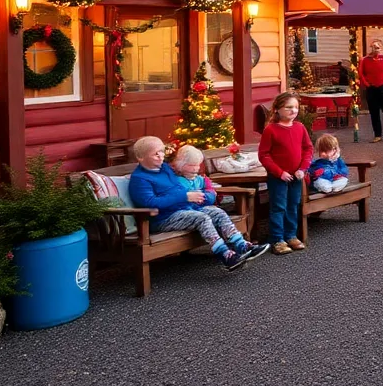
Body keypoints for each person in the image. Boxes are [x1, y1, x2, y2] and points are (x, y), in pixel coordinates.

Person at [129, 137, 267, 270]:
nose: (160, 156)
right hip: (162, 218)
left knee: (216, 212)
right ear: (141, 158)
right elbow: (150, 202)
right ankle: (225, 255)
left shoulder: (165, 168)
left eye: (161, 151)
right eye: (155, 154)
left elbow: (181, 173)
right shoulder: (140, 179)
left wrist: (198, 189)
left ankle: (242, 245)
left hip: (183, 210)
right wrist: (184, 196)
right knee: (201, 218)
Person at [258, 92, 314, 255]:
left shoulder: (300, 127)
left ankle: (291, 235)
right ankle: (277, 239)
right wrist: (279, 172)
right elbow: (264, 155)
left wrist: (303, 169)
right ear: (277, 109)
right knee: (278, 206)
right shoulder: (271, 130)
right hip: (279, 177)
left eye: (296, 107)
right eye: (288, 107)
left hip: (297, 175)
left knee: (293, 205)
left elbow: (308, 148)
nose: (293, 110)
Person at [359, 38, 383, 143]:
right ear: (371, 48)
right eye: (374, 47)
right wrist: (367, 84)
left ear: (381, 48)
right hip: (371, 88)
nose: (376, 49)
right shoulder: (365, 60)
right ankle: (377, 135)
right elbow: (361, 74)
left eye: (378, 47)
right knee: (374, 112)